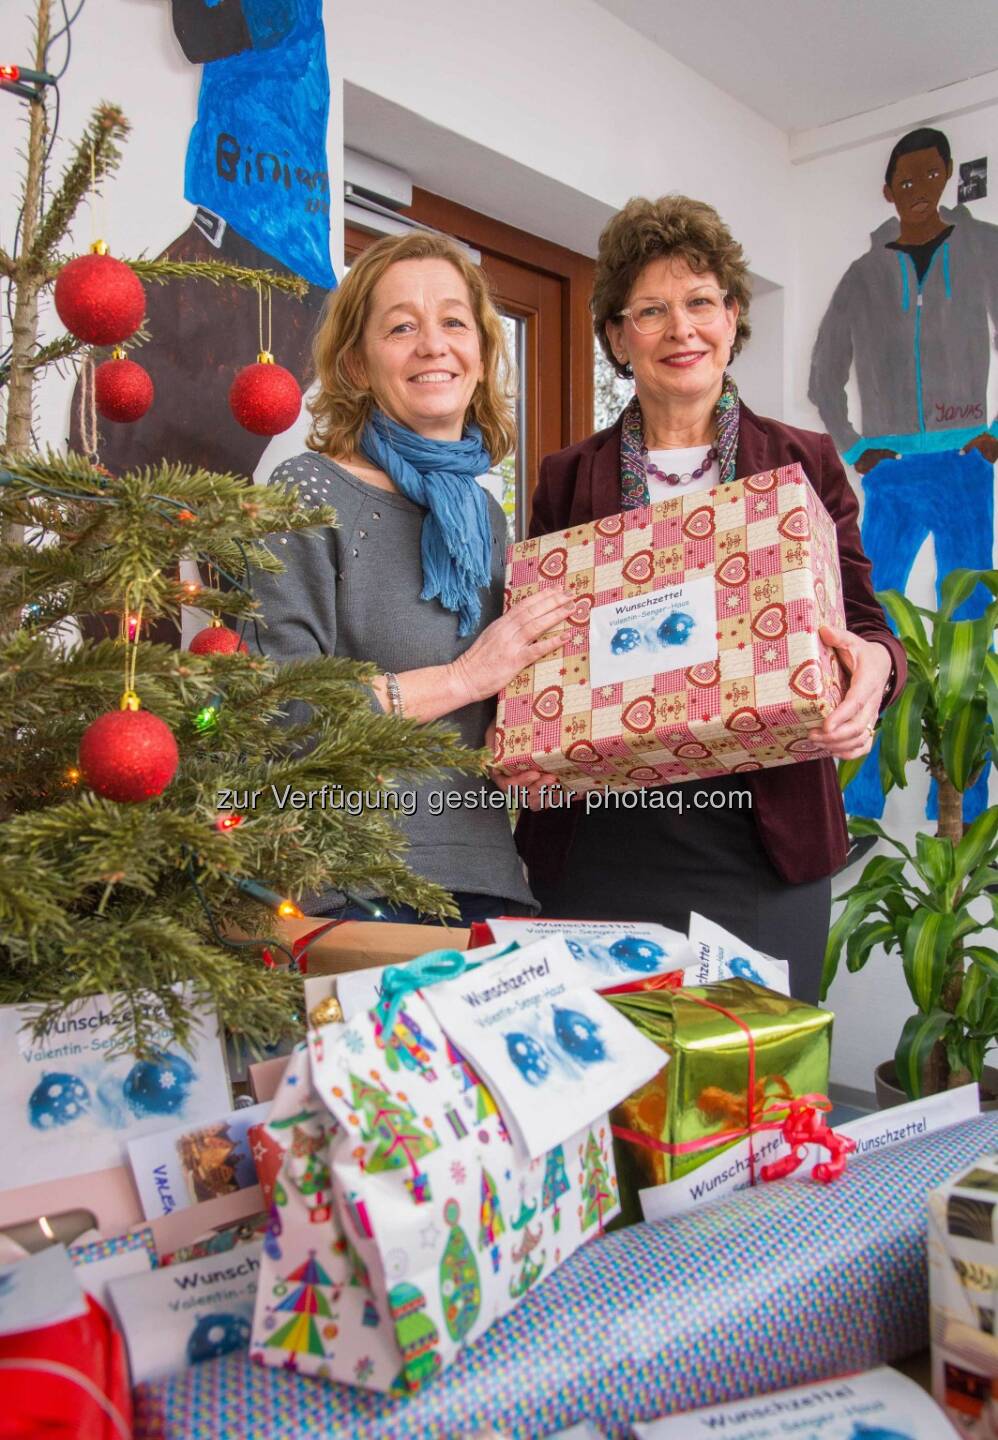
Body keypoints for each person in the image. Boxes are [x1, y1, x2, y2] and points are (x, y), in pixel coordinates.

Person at [511, 195, 906, 1003]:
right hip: (603, 836)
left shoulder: (805, 461)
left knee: (754, 1094)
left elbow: (866, 626)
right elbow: (538, 640)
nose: (681, 329)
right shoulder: (565, 479)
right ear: (619, 338)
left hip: (763, 838)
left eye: (700, 302)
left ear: (732, 316)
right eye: (650, 311)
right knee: (608, 1089)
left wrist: (874, 669)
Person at [251, 231, 573, 924]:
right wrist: (464, 678)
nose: (433, 344)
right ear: (358, 366)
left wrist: (527, 743)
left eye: (454, 322)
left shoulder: (484, 514)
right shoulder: (306, 492)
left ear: (481, 357)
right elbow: (286, 716)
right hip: (353, 885)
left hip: (492, 878)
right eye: (402, 327)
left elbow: (485, 718)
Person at [809, 126, 998, 823]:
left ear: (947, 176)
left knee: (969, 626)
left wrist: (995, 437)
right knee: (871, 629)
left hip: (964, 468)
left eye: (929, 178)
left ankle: (969, 811)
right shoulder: (862, 275)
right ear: (888, 190)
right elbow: (824, 375)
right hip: (889, 472)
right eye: (904, 183)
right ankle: (858, 800)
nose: (918, 193)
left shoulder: (983, 249)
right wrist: (857, 447)